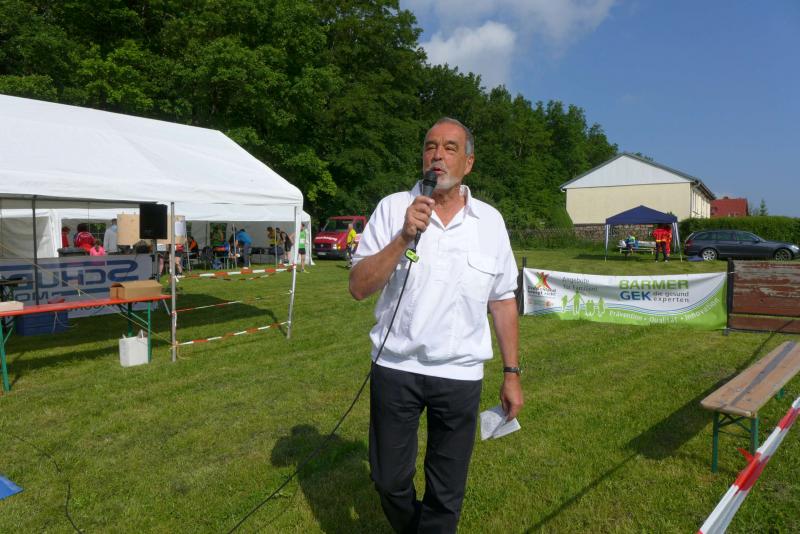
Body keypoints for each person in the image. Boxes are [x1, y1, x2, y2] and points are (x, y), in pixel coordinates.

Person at [349, 117, 523, 533]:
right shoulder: (393, 208)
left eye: (449, 147)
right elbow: (358, 287)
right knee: (388, 481)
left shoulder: (490, 221)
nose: (437, 156)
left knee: (446, 493)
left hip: (460, 374)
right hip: (396, 367)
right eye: (430, 147)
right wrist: (403, 237)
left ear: (469, 162)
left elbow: (502, 301)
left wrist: (511, 373)